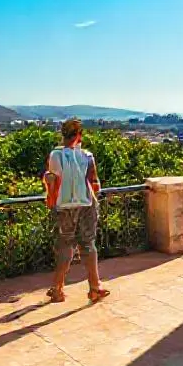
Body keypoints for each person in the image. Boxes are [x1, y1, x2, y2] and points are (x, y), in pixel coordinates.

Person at [43, 118, 108, 302]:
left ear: (63, 134)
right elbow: (95, 184)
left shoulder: (55, 155)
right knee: (88, 244)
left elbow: (53, 181)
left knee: (66, 246)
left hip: (64, 207)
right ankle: (95, 288)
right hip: (86, 204)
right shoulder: (87, 156)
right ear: (79, 135)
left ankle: (57, 289)